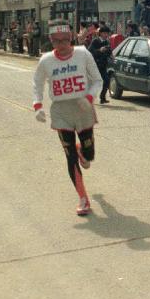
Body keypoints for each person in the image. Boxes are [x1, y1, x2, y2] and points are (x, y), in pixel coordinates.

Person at [33, 20, 103, 216]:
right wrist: (37, 105)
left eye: (65, 40)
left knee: (89, 155)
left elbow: (98, 80)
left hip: (83, 108)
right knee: (69, 155)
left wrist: (89, 98)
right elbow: (37, 83)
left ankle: (83, 151)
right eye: (57, 41)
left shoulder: (83, 54)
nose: (62, 45)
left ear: (71, 37)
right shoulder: (46, 60)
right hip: (61, 111)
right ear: (51, 40)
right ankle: (83, 198)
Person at [88, 25, 113, 104]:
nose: (106, 35)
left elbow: (108, 51)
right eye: (104, 33)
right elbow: (90, 52)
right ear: (100, 33)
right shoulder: (95, 41)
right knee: (93, 83)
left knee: (106, 81)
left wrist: (111, 55)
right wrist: (99, 50)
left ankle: (102, 98)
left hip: (103, 65)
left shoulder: (106, 42)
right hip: (95, 66)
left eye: (107, 33)